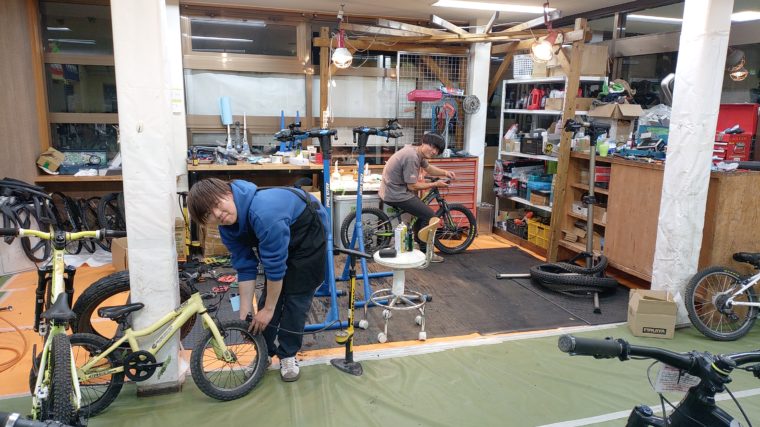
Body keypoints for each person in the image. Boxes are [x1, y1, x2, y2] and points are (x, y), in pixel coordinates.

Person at [187, 178, 329, 382]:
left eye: (217, 204)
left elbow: (275, 268)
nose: (217, 214)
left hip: (308, 232)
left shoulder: (264, 213)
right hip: (280, 232)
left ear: (228, 193)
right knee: (267, 302)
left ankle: (288, 355)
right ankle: (264, 353)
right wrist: (245, 314)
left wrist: (268, 311)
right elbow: (245, 266)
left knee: (295, 300)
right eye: (209, 214)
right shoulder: (227, 229)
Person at [379, 132, 455, 262]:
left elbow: (428, 168)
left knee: (421, 213)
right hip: (396, 194)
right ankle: (426, 253)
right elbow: (412, 186)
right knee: (430, 216)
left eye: (437, 150)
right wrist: (435, 184)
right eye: (433, 147)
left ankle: (418, 245)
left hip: (392, 190)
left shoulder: (416, 152)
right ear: (424, 143)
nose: (435, 152)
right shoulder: (412, 157)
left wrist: (445, 172)